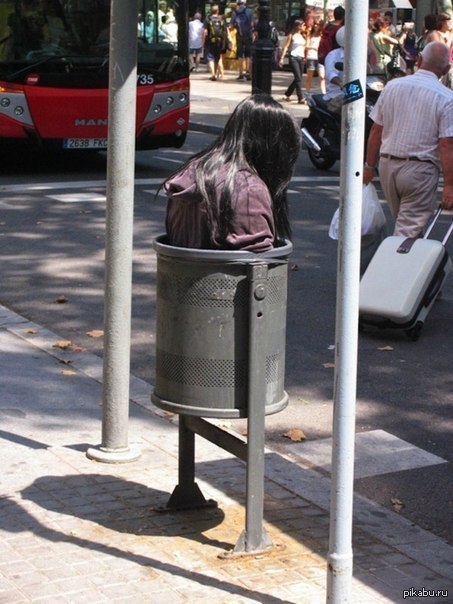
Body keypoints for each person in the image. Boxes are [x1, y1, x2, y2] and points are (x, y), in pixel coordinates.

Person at [163, 94, 301, 251]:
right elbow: (258, 262)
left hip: (180, 267)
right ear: (274, 150)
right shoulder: (249, 189)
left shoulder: (190, 172)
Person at [363, 42, 453, 238]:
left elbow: (376, 130)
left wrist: (369, 166)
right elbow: (447, 144)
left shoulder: (392, 86)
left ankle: (405, 254)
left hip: (387, 166)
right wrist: (449, 185)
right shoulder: (447, 98)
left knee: (405, 225)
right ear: (446, 69)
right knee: (407, 231)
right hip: (419, 171)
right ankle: (395, 258)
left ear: (419, 60)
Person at [279, 19, 307, 104]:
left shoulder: (303, 35)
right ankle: (300, 97)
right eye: (303, 25)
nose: (304, 27)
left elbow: (305, 47)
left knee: (298, 78)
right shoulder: (292, 35)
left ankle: (287, 94)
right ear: (298, 26)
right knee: (298, 78)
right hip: (294, 57)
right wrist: (282, 58)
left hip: (301, 58)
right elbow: (286, 47)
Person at [322, 25, 345, 114]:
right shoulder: (333, 55)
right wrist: (341, 84)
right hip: (336, 95)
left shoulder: (360, 56)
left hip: (356, 94)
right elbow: (331, 74)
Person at [230, 0, 254, 81]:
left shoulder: (235, 12)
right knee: (248, 54)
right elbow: (252, 24)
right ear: (245, 2)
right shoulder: (250, 11)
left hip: (239, 36)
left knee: (240, 55)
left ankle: (240, 74)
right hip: (249, 35)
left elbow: (231, 25)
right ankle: (248, 73)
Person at [203, 4, 226, 81]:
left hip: (210, 41)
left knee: (210, 58)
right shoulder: (221, 20)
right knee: (217, 58)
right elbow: (224, 32)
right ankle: (215, 74)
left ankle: (213, 74)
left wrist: (203, 41)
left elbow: (205, 32)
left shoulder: (208, 19)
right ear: (217, 11)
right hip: (219, 42)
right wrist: (224, 43)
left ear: (211, 11)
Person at [305, 21, 326, 94]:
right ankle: (307, 92)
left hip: (319, 57)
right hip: (311, 56)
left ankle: (323, 93)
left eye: (317, 25)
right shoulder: (310, 35)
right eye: (315, 25)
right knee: (309, 76)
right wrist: (314, 48)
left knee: (322, 76)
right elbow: (306, 46)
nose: (316, 26)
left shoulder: (322, 35)